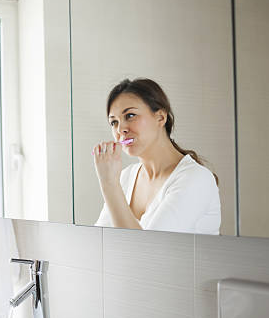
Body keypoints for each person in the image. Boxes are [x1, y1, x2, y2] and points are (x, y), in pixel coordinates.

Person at [93, 78, 220, 234]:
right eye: (114, 122)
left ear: (161, 117)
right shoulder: (125, 177)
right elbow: (99, 243)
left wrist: (109, 184)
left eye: (130, 115)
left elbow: (147, 252)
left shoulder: (196, 179)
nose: (121, 129)